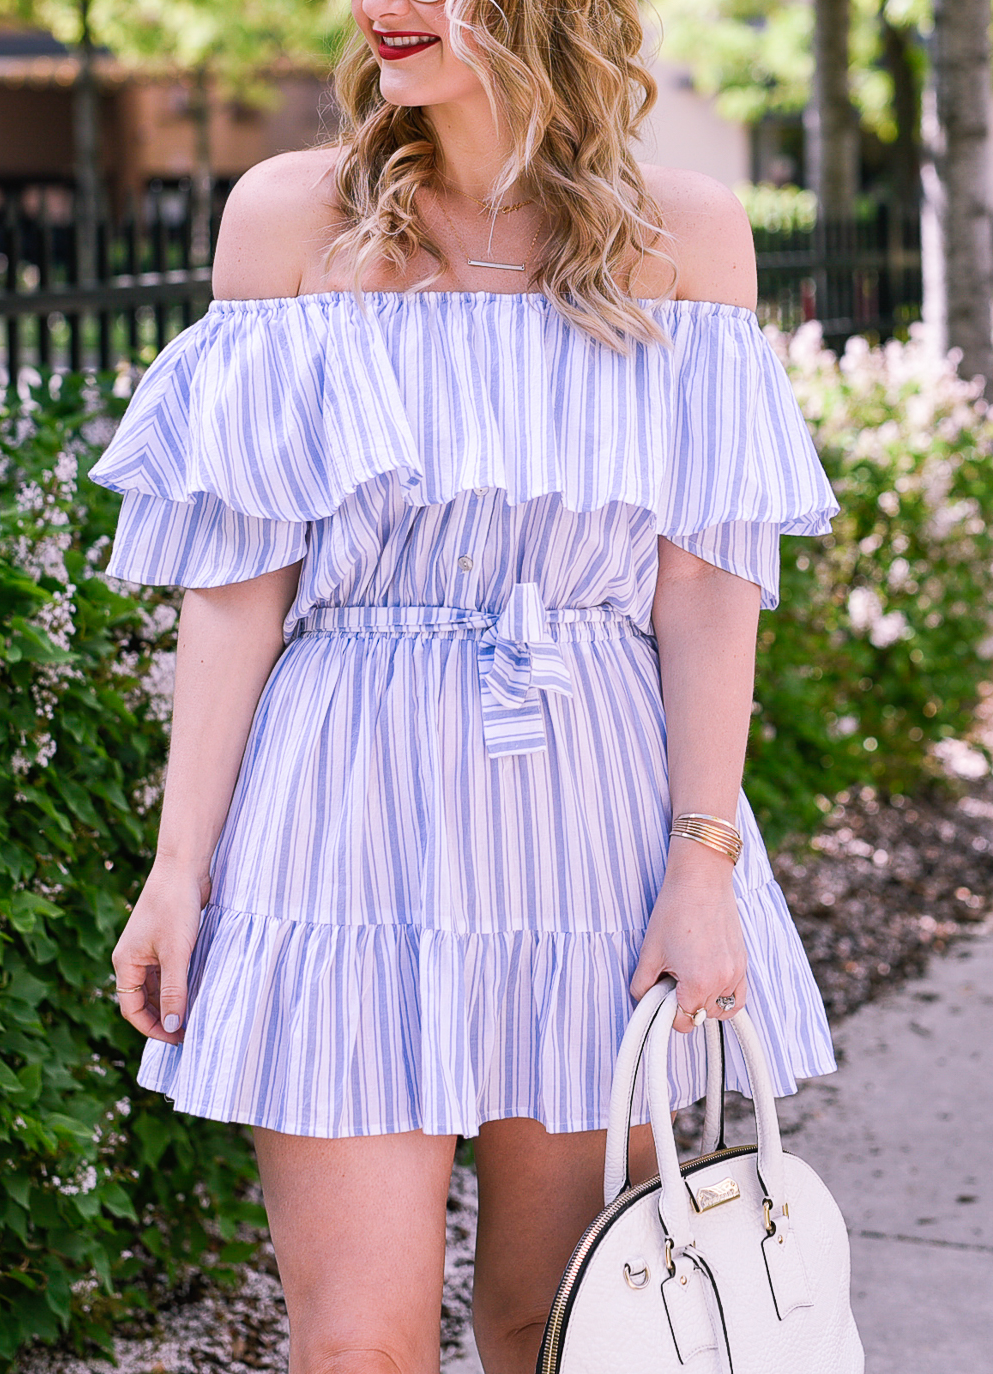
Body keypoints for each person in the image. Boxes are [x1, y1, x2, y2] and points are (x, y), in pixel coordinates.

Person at [91, 1, 840, 1371]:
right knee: (358, 1343)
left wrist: (705, 857)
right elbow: (237, 583)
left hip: (593, 819)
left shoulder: (684, 234)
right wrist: (179, 863)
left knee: (559, 1329)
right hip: (340, 809)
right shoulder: (288, 220)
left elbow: (705, 589)